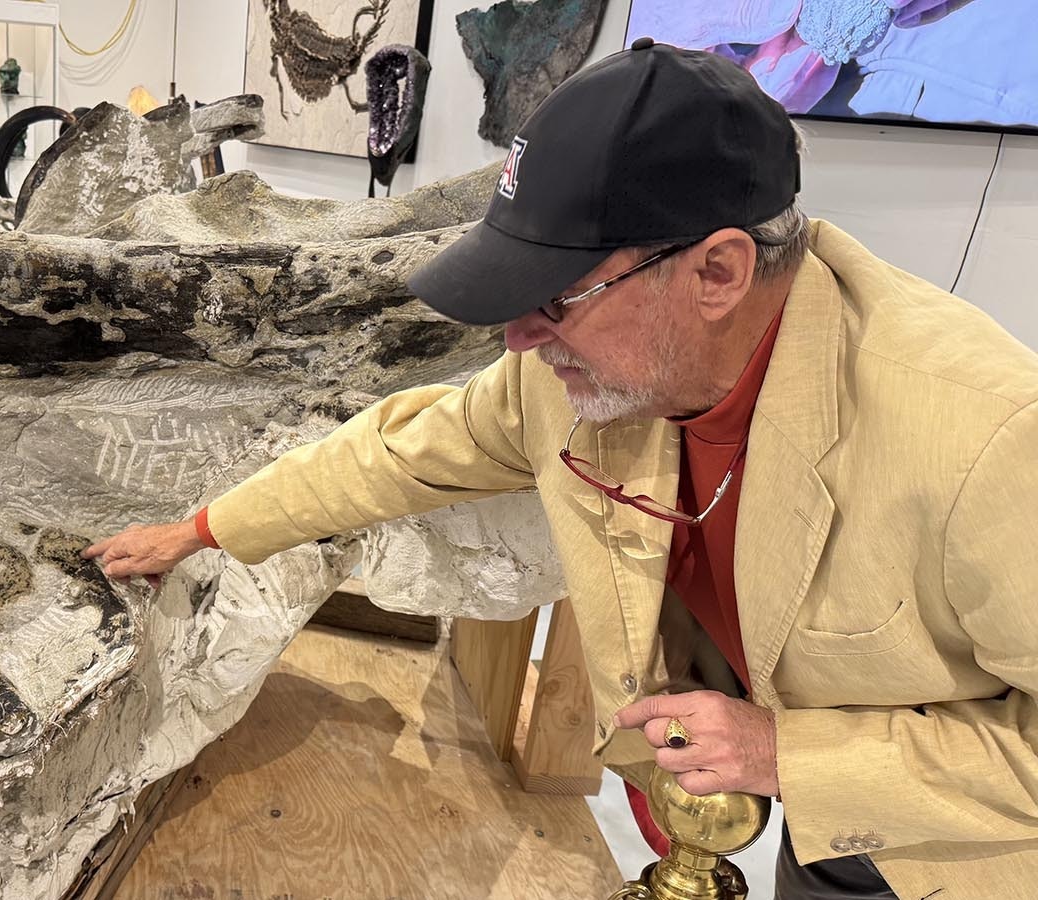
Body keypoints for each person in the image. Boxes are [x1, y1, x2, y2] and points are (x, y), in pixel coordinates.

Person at [82, 38, 1038, 900]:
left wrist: (792, 753)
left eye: (556, 297)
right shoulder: (564, 376)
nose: (518, 336)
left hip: (964, 846)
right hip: (802, 808)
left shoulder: (989, 441)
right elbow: (392, 453)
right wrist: (204, 531)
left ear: (717, 272)